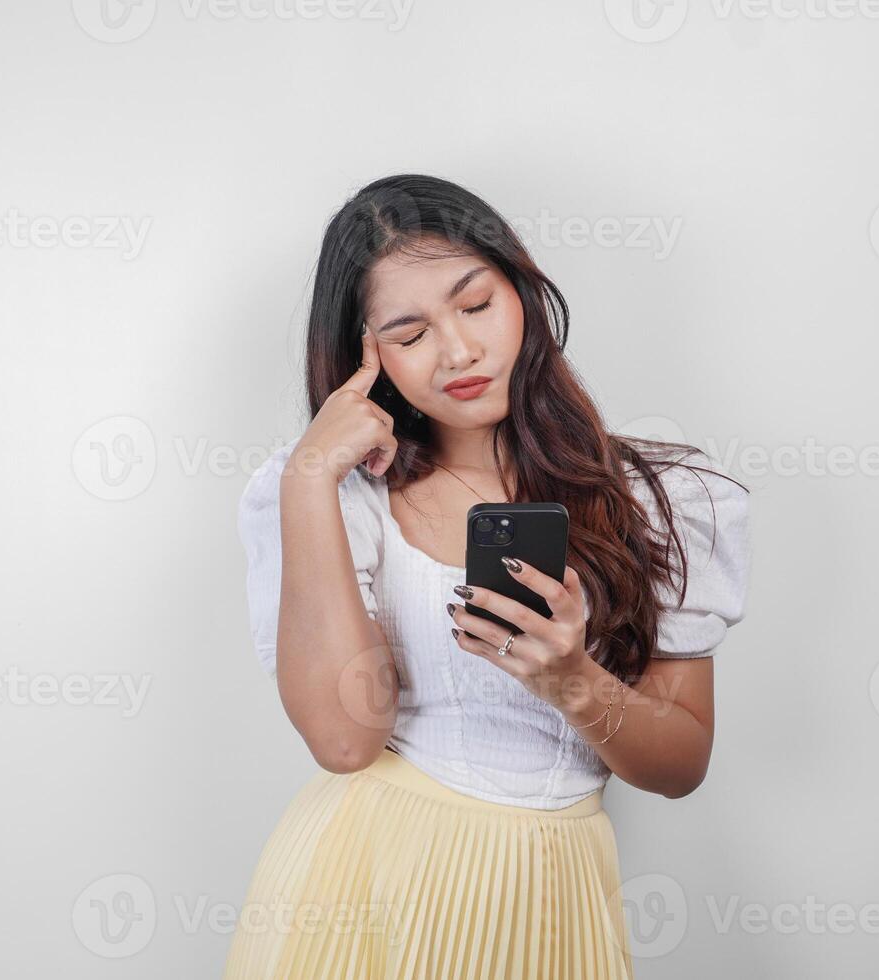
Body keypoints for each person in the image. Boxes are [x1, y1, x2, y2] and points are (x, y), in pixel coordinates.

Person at [223, 174, 752, 979]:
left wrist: (572, 679)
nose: (460, 352)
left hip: (557, 900)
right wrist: (308, 479)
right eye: (409, 333)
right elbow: (342, 739)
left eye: (476, 306)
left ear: (522, 291)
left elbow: (680, 766)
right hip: (363, 893)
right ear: (364, 357)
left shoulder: (665, 497)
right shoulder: (337, 497)